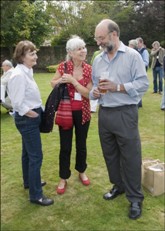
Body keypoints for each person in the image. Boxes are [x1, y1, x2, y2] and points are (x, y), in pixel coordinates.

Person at [90, 19, 149, 219]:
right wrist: (95, 92)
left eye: (101, 38)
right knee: (110, 155)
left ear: (114, 34)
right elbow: (93, 88)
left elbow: (143, 84)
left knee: (131, 157)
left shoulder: (133, 56)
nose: (98, 42)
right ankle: (119, 185)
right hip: (105, 113)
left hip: (125, 112)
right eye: (97, 38)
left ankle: (135, 199)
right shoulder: (98, 59)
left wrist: (117, 87)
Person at [8, 40, 54, 206]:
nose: (36, 56)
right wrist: (32, 114)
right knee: (36, 156)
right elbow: (17, 103)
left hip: (30, 117)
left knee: (27, 153)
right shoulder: (18, 75)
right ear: (22, 56)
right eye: (32, 53)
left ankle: (29, 182)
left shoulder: (27, 71)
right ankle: (36, 195)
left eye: (35, 52)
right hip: (27, 119)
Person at [51, 35, 92, 194]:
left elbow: (88, 94)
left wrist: (74, 82)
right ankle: (63, 177)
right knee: (65, 146)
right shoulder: (63, 67)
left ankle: (81, 171)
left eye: (83, 47)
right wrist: (62, 80)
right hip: (65, 113)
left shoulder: (89, 69)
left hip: (83, 112)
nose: (83, 51)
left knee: (81, 145)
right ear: (70, 52)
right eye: (79, 49)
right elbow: (52, 83)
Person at [136, 37, 149, 108]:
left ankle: (139, 103)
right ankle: (139, 102)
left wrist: (137, 64)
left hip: (142, 71)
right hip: (137, 71)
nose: (136, 45)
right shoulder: (137, 50)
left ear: (141, 43)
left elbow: (146, 62)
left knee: (139, 86)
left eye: (137, 43)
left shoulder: (144, 51)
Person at [90, 46, 103, 112]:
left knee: (102, 89)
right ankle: (92, 108)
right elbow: (92, 62)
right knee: (95, 88)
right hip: (97, 73)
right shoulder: (96, 53)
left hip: (104, 74)